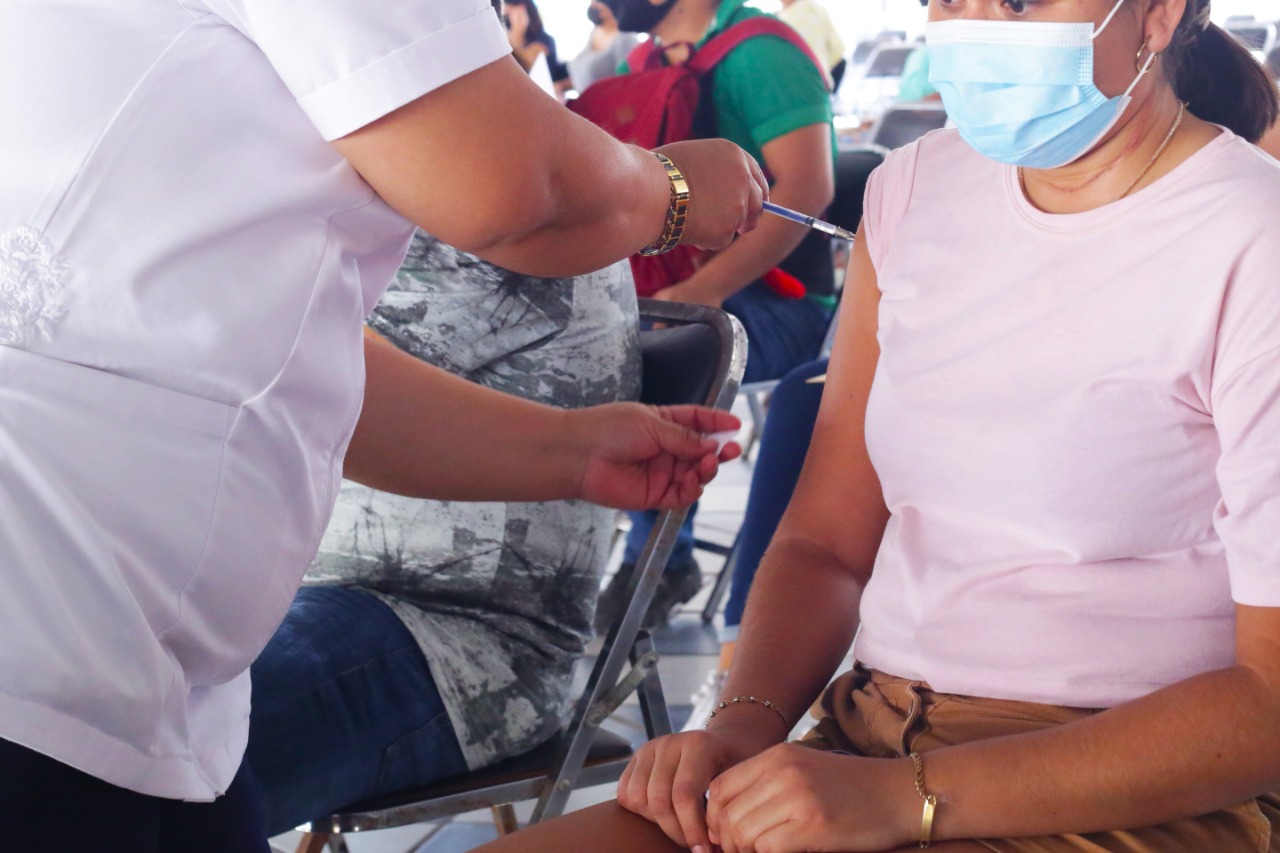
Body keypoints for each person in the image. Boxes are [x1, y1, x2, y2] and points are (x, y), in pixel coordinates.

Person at [475, 0, 1280, 849]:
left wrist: (909, 797)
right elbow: (826, 542)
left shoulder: (1251, 240)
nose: (972, 23)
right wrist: (743, 727)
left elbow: (1268, 698)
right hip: (870, 735)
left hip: (1123, 781)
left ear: (1156, 16)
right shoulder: (917, 190)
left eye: (1016, 2)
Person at [0, 0, 769, 847]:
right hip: (62, 624)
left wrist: (571, 449)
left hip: (126, 644)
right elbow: (523, 189)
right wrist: (674, 188)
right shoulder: (448, 153)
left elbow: (277, 356)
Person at [247, 236, 642, 834]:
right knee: (116, 700)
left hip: (457, 636)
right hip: (301, 590)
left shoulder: (521, 223)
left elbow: (287, 380)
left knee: (164, 737)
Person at [600, 0, 838, 633]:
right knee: (576, 343)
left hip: (784, 306)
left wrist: (702, 291)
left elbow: (809, 187)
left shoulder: (762, 52)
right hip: (674, 297)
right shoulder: (641, 62)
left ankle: (659, 559)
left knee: (653, 351)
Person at [568, 0, 643, 94]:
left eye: (598, 1)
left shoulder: (625, 37)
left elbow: (630, 82)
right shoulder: (595, 32)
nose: (593, 5)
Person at [777, 0, 848, 89]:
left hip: (787, 85)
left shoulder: (777, 21)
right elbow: (838, 52)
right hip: (818, 83)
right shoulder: (816, 9)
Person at [504, 0, 569, 86]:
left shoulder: (544, 39)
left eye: (510, 12)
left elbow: (528, 63)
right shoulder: (511, 38)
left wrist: (518, 28)